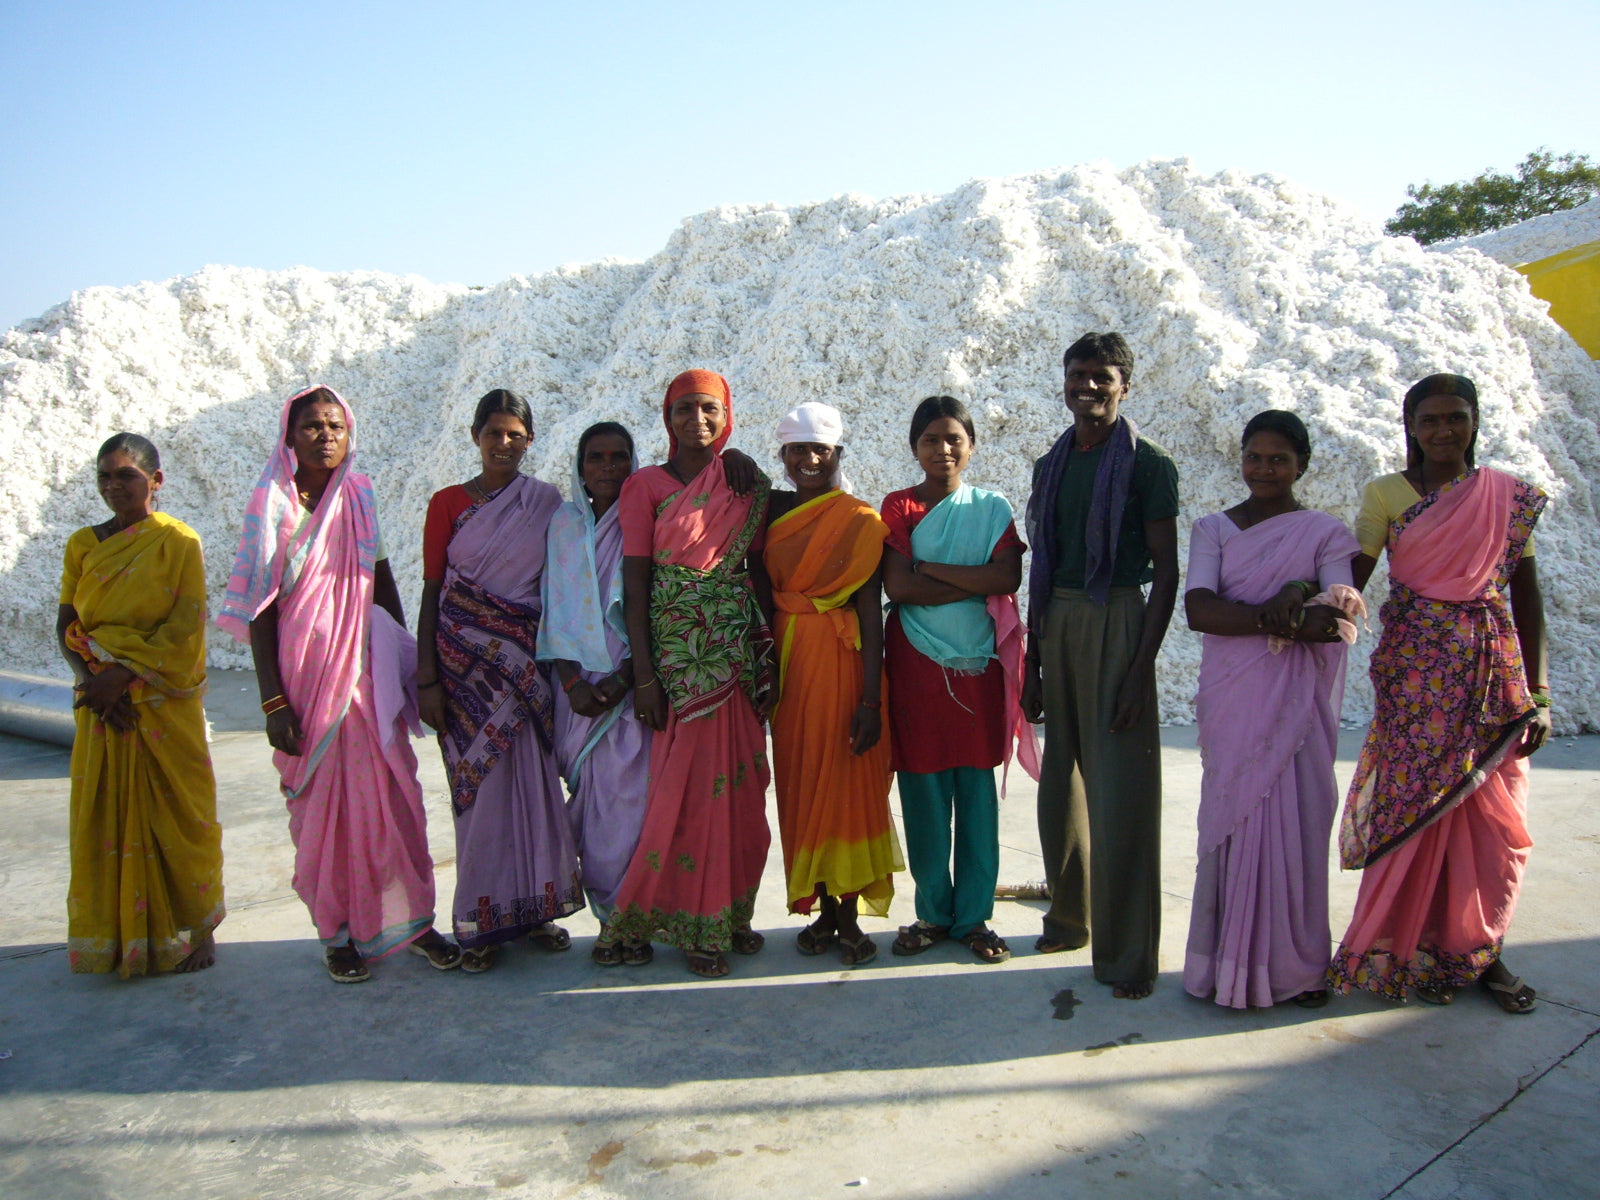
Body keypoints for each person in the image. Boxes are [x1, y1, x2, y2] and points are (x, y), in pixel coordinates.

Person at [219, 385, 459, 983]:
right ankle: (338, 933)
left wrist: (408, 666)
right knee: (324, 814)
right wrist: (273, 701)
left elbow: (380, 579)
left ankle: (413, 921)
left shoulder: (359, 493)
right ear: (289, 435)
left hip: (364, 672)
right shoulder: (271, 502)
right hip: (305, 679)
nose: (325, 435)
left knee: (396, 799)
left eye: (336, 426)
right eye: (312, 426)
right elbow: (260, 609)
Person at [1329, 373, 1549, 1014]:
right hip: (1415, 681)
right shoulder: (1387, 494)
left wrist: (1539, 691)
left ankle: (1481, 950)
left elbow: (1526, 593)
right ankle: (1404, 947)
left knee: (1490, 821)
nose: (1443, 431)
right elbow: (1352, 579)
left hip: (1490, 676)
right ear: (1412, 428)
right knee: (1414, 810)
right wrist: (1298, 612)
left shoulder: (1500, 497)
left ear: (1474, 422)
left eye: (1456, 417)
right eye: (1430, 420)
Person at [1182, 411, 1362, 1009]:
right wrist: (1281, 614)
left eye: (1278, 459)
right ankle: (1224, 967)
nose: (1264, 469)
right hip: (1236, 698)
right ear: (1241, 460)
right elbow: (1201, 610)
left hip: (1299, 706)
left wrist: (1300, 596)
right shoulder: (1213, 530)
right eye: (1254, 457)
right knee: (1231, 816)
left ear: (1301, 465)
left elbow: (1337, 614)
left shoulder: (1326, 533)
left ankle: (1298, 969)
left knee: (1300, 821)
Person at [601, 369, 775, 979]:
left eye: (709, 410)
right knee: (688, 789)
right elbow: (637, 580)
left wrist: (766, 655)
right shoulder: (645, 485)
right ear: (666, 418)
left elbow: (756, 576)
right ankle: (690, 923)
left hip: (733, 651)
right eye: (683, 410)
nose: (696, 421)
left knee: (743, 789)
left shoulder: (746, 484)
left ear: (728, 415)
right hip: (678, 658)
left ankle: (730, 914)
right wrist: (644, 674)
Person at [1023, 331, 1179, 999]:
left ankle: (1129, 955)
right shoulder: (1051, 464)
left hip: (1117, 617)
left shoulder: (1149, 466)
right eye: (1077, 374)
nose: (1087, 386)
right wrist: (1032, 661)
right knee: (1061, 784)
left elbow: (1168, 572)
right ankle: (1068, 917)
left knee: (1121, 795)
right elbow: (1044, 565)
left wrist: (1141, 666)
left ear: (1125, 386)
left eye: (1102, 377)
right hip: (1057, 617)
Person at [416, 389, 584, 974]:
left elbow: (558, 585)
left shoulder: (545, 503)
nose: (504, 443)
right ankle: (481, 920)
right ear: (475, 436)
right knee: (479, 797)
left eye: (515, 434)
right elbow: (434, 591)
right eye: (494, 433)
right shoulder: (446, 505)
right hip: (464, 675)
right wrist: (427, 678)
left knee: (534, 789)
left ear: (530, 439)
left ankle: (534, 912)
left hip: (528, 671)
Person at [56, 433, 224, 977]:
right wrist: (93, 683)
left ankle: (195, 930)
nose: (113, 487)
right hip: (103, 707)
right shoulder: (84, 545)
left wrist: (122, 676)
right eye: (104, 477)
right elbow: (67, 624)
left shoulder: (179, 543)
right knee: (107, 819)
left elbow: (184, 626)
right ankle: (123, 937)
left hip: (160, 704)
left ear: (156, 480)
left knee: (180, 816)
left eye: (125, 475)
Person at [881, 396, 1036, 965]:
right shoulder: (899, 506)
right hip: (916, 665)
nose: (942, 450)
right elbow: (899, 589)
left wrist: (932, 570)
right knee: (922, 791)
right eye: (930, 439)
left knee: (975, 794)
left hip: (978, 667)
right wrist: (973, 582)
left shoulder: (992, 507)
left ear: (971, 445)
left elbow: (1007, 575)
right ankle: (931, 912)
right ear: (914, 446)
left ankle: (972, 917)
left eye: (954, 439)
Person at [765, 401, 904, 967]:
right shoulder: (772, 518)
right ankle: (821, 908)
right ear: (784, 457)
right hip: (790, 667)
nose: (809, 460)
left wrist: (872, 697)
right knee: (801, 782)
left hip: (844, 666)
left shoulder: (860, 522)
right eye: (798, 450)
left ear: (837, 455)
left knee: (845, 781)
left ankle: (847, 917)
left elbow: (871, 611)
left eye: (819, 450)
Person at [537, 420, 654, 966]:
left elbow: (653, 605)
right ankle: (610, 922)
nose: (608, 467)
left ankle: (635, 920)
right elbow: (553, 607)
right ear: (580, 468)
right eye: (596, 457)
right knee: (591, 807)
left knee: (634, 805)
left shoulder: (646, 519)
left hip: (632, 686)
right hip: (577, 692)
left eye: (619, 456)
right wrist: (574, 682)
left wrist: (626, 677)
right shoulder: (561, 525)